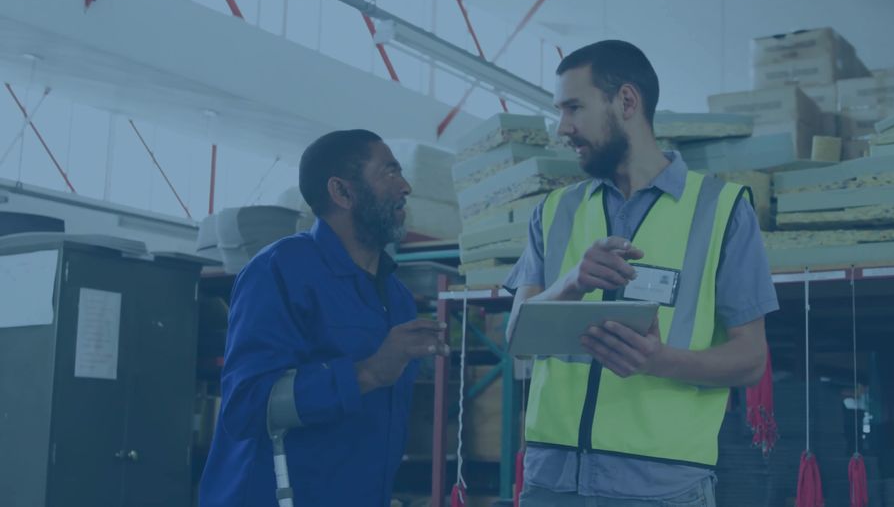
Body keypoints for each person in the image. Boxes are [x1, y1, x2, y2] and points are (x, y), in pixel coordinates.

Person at [504, 40, 779, 506]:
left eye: (573, 108)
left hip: (660, 486)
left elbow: (751, 359)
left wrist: (657, 360)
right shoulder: (553, 213)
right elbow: (517, 338)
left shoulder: (722, 210)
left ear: (626, 102)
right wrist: (572, 282)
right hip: (551, 481)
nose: (562, 128)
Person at [199, 130, 450, 507]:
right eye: (389, 173)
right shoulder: (278, 272)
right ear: (342, 192)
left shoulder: (397, 298)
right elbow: (245, 406)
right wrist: (367, 373)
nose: (406, 186)